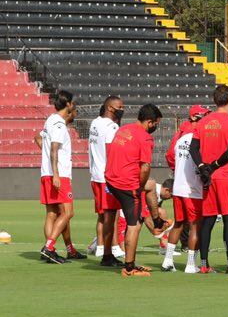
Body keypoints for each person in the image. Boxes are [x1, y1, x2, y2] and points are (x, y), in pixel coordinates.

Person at [189, 84, 228, 275]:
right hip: (226, 177)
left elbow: (193, 148)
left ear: (215, 101)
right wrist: (214, 166)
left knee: (207, 221)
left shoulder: (203, 122)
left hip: (208, 178)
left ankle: (205, 263)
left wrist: (202, 167)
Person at [103, 104, 164, 276]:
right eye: (156, 124)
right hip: (127, 184)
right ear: (150, 122)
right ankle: (129, 268)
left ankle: (156, 220)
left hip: (111, 179)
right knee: (134, 224)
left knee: (150, 185)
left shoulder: (123, 129)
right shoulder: (145, 138)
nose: (155, 127)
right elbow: (145, 167)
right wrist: (137, 188)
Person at [38, 90, 81, 264]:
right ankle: (49, 247)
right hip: (59, 175)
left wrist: (46, 163)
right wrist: (56, 173)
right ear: (68, 104)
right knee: (68, 213)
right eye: (73, 103)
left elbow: (38, 139)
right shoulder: (59, 124)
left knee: (52, 214)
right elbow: (54, 148)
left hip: (46, 173)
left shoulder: (50, 120)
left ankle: (51, 250)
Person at [165, 106, 207, 273]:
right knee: (195, 225)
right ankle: (190, 264)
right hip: (193, 188)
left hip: (178, 187)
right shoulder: (198, 138)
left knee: (178, 224)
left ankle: (167, 260)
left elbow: (170, 156)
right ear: (196, 118)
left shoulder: (180, 138)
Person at [87, 96, 123, 265]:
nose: (122, 109)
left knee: (103, 215)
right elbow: (112, 151)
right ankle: (110, 252)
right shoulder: (111, 126)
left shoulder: (95, 122)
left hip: (95, 174)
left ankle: (102, 247)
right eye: (119, 107)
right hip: (107, 177)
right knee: (111, 216)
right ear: (110, 108)